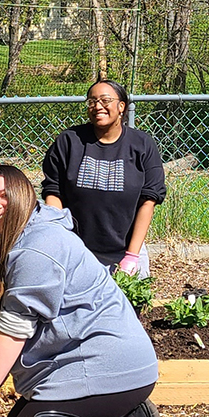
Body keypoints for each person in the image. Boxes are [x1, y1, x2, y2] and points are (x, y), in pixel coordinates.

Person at [0, 164, 173, 417]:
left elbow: (14, 331)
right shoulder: (33, 229)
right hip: (91, 361)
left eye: (3, 196)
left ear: (23, 195)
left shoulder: (37, 248)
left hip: (109, 367)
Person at [41, 79, 165, 277]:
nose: (98, 106)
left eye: (105, 100)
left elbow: (148, 200)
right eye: (92, 101)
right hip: (77, 251)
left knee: (131, 307)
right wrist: (62, 241)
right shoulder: (70, 141)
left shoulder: (142, 144)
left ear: (121, 106)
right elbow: (53, 192)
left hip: (125, 252)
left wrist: (132, 256)